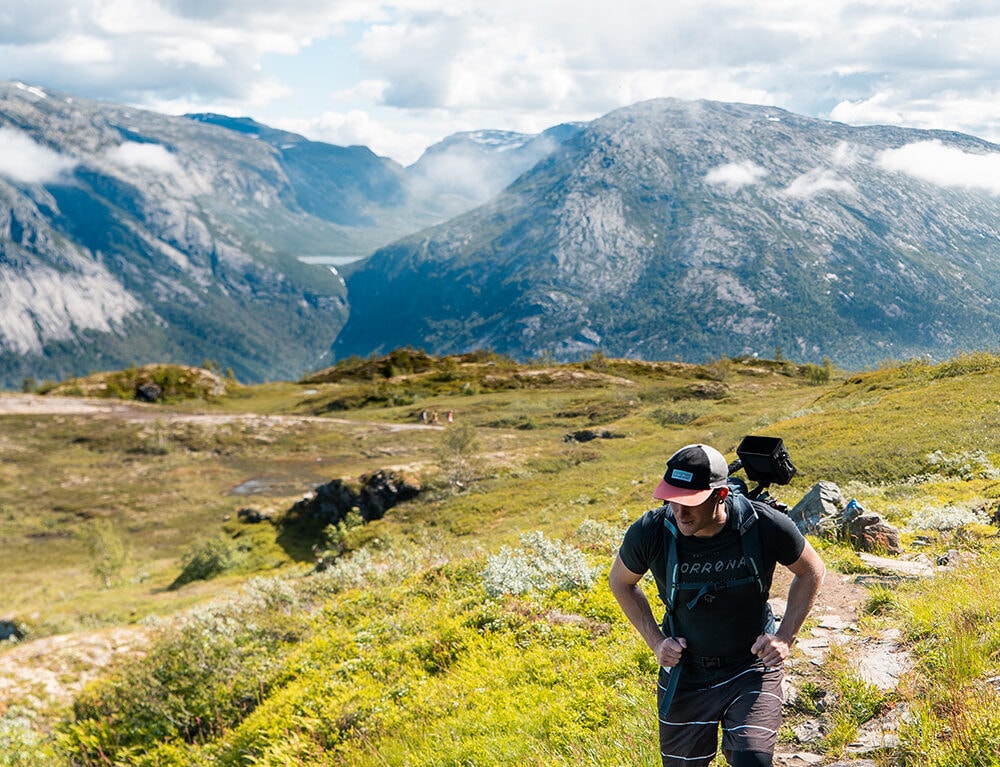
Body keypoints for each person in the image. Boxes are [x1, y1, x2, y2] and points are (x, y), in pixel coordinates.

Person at [609, 443, 825, 767]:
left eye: (691, 503)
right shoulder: (651, 532)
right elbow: (620, 582)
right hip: (686, 674)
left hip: (750, 667)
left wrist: (784, 638)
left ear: (721, 495)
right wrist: (656, 643)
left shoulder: (762, 524)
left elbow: (811, 570)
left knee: (751, 758)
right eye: (673, 499)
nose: (680, 512)